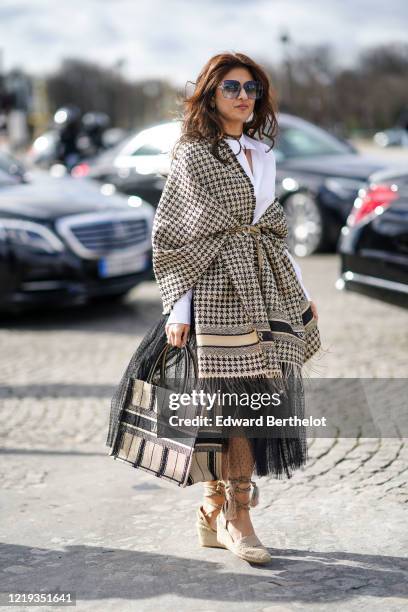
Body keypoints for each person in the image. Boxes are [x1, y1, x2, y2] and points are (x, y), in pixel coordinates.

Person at [151, 52, 323, 564]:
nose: (244, 96)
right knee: (229, 405)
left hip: (263, 284)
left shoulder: (260, 153)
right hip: (213, 292)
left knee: (247, 400)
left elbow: (271, 231)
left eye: (252, 88)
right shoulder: (193, 154)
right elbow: (174, 236)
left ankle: (213, 511)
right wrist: (177, 309)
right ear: (210, 94)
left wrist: (300, 289)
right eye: (232, 87)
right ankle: (237, 516)